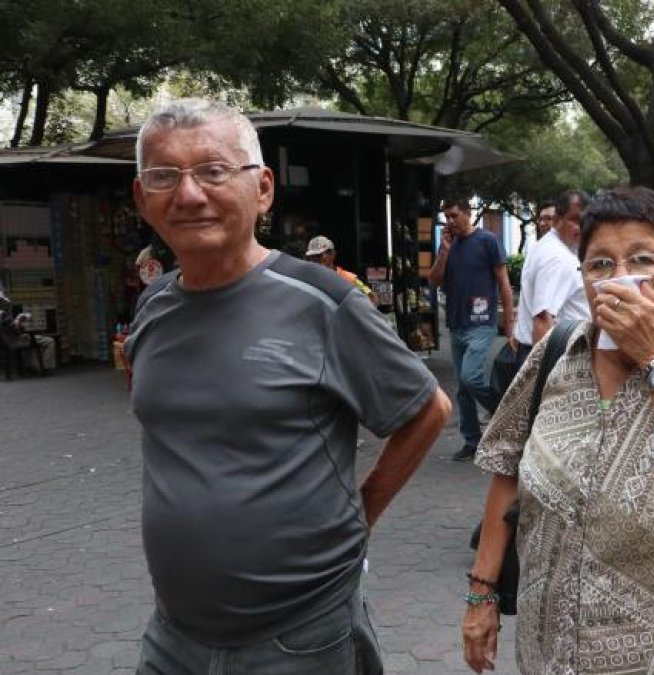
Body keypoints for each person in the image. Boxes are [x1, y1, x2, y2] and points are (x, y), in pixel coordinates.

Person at [123, 99, 452, 674]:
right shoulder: (152, 308)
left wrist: (360, 515)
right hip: (173, 633)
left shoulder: (324, 302)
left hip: (299, 637)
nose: (189, 194)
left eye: (213, 171)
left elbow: (426, 409)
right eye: (164, 176)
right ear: (141, 197)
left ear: (264, 189)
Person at [461, 186, 654, 674]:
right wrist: (481, 594)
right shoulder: (556, 357)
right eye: (600, 265)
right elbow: (508, 465)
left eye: (643, 261)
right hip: (550, 649)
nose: (619, 279)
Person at [429, 196, 516, 462]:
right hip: (456, 323)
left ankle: (504, 414)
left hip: (481, 323)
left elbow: (503, 283)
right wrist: (443, 251)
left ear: (468, 213)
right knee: (463, 389)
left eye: (454, 215)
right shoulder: (449, 244)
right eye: (446, 217)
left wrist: (510, 326)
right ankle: (472, 441)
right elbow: (433, 281)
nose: (450, 221)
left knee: (470, 377)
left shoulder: (487, 241)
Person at [494, 190, 591, 393]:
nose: (581, 228)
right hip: (556, 357)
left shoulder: (550, 246)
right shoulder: (557, 258)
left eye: (586, 221)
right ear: (557, 220)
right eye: (574, 220)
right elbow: (543, 319)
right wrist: (545, 381)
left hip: (539, 352)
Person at [306, 235, 379, 305]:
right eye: (312, 257)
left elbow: (372, 298)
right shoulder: (308, 280)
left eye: (319, 256)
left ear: (332, 254)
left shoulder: (349, 278)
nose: (315, 260)